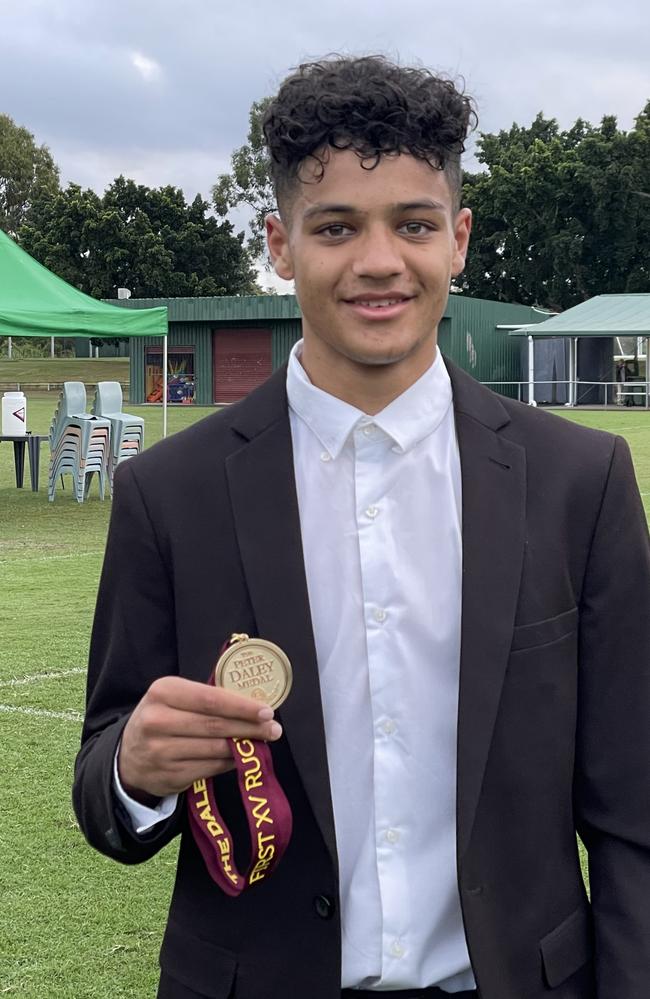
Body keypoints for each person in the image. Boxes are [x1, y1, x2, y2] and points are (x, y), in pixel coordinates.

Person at [73, 56, 650, 999]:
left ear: (458, 240)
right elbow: (105, 774)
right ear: (281, 243)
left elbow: (634, 809)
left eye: (414, 224)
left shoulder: (579, 482)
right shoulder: (166, 493)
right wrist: (137, 771)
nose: (379, 261)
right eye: (336, 226)